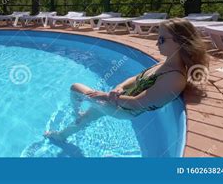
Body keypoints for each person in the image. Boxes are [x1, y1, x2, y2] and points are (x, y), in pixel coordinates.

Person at [45, 18, 209, 141]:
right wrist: (119, 87)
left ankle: (76, 113)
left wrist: (105, 96)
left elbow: (137, 103)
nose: (156, 44)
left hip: (124, 110)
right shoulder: (165, 64)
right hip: (119, 101)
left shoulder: (174, 78)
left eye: (161, 39)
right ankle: (62, 135)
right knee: (89, 116)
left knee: (75, 88)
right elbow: (136, 79)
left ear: (181, 42)